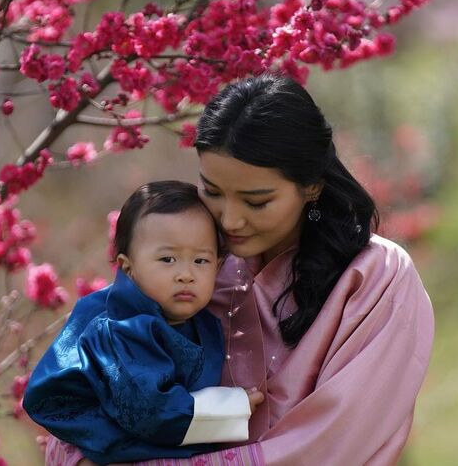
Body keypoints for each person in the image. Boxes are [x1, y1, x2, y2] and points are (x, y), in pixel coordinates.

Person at [46, 73, 434, 466]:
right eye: (212, 192)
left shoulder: (374, 278)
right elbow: (80, 403)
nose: (229, 221)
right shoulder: (190, 267)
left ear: (312, 186)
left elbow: (332, 444)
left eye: (257, 201)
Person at [24, 181, 265, 465]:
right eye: (167, 259)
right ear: (128, 267)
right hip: (106, 439)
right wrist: (231, 408)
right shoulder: (121, 327)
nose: (185, 274)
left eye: (200, 260)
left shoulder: (198, 318)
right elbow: (149, 408)